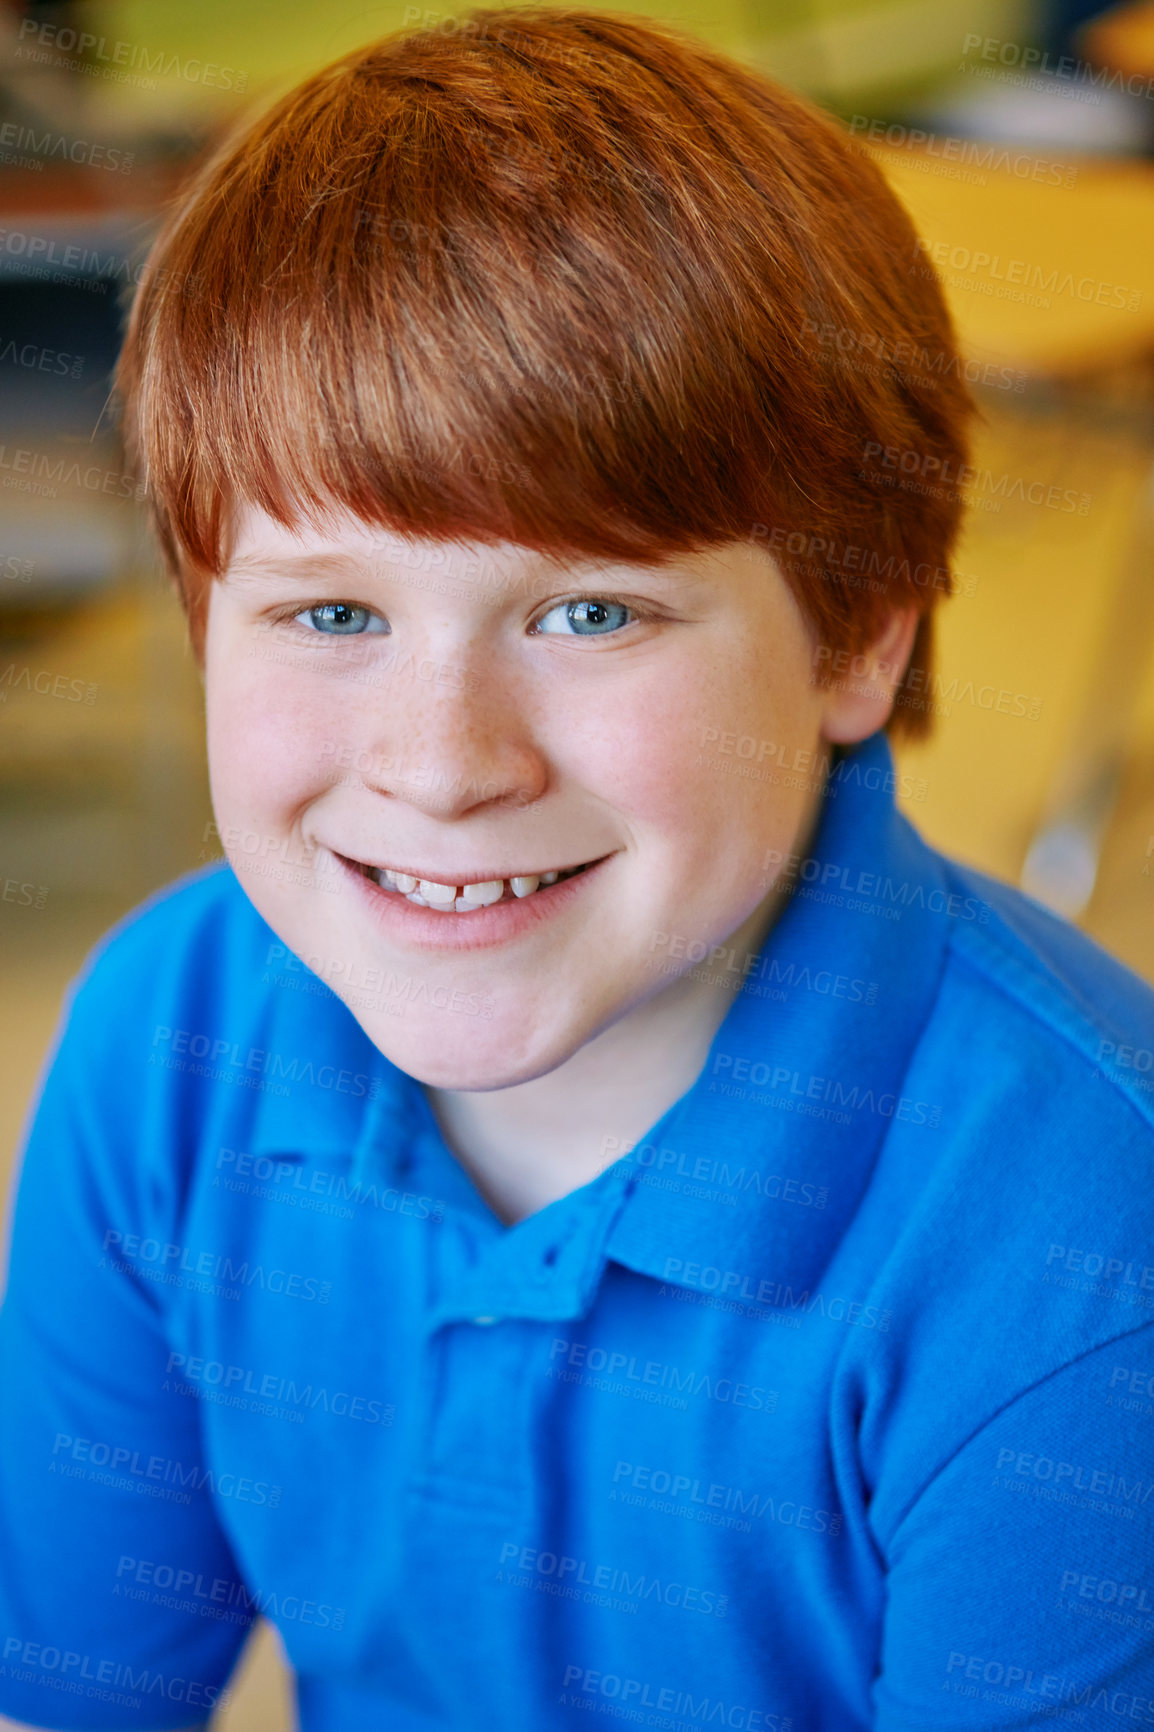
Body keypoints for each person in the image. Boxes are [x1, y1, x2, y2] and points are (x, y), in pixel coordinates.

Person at [2, 7, 1153, 1729]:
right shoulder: (171, 1036)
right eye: (330, 611)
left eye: (588, 611)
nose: (444, 763)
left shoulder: (1081, 1248)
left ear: (855, 635)